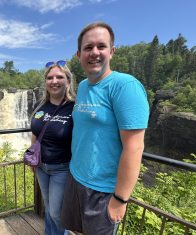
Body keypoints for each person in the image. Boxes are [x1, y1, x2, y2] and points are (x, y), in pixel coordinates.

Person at [61, 22, 149, 235]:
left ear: (112, 51)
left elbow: (134, 147)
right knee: (75, 232)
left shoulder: (125, 87)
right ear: (79, 54)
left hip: (103, 190)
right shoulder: (82, 86)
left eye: (101, 46)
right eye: (88, 47)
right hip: (75, 177)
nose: (95, 52)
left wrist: (120, 198)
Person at [30, 60, 76, 235]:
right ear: (45, 82)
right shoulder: (41, 107)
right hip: (41, 167)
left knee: (57, 212)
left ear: (68, 81)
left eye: (59, 77)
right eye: (50, 78)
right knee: (49, 207)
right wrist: (33, 159)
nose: (54, 81)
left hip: (62, 169)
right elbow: (35, 133)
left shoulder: (75, 108)